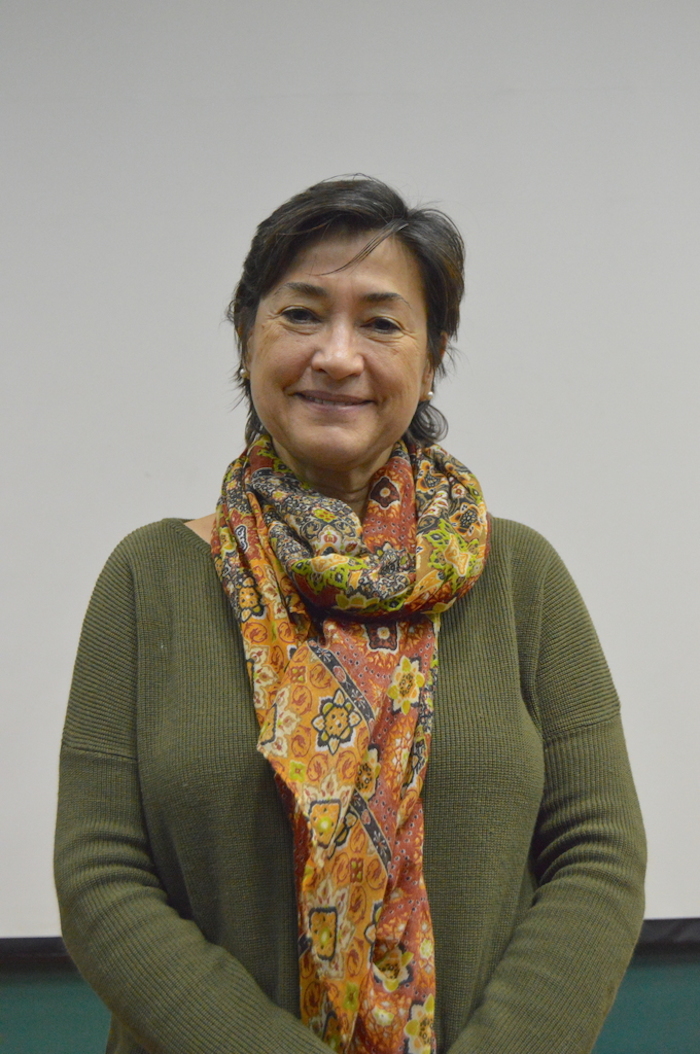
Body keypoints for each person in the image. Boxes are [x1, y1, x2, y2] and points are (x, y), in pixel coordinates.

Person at [54, 177, 646, 1054]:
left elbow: (599, 856)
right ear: (246, 337)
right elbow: (100, 878)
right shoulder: (150, 576)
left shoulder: (520, 576)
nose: (337, 354)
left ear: (431, 355)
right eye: (301, 314)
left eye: (380, 321)